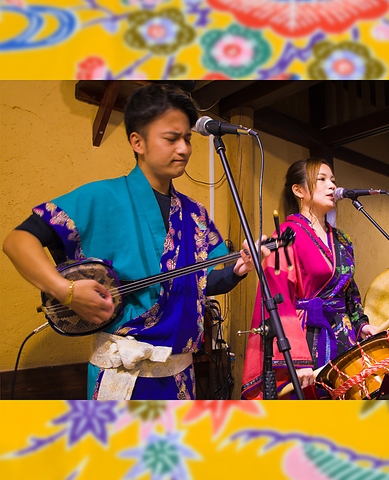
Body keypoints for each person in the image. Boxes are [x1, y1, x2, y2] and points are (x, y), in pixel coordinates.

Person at [3, 82, 268, 400]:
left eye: (187, 138)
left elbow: (204, 282)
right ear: (137, 142)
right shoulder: (102, 196)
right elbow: (18, 241)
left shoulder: (195, 214)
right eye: (171, 138)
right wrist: (65, 290)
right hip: (121, 374)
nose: (184, 148)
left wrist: (239, 269)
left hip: (180, 373)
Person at [241, 157, 377, 399]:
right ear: (299, 190)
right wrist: (297, 357)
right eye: (322, 179)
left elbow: (349, 290)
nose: (332, 186)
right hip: (307, 341)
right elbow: (279, 298)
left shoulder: (342, 240)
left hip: (342, 336)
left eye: (333, 180)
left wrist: (361, 324)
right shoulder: (285, 236)